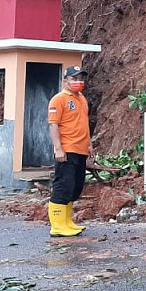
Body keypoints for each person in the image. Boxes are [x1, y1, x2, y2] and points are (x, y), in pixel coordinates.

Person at [46, 65, 93, 237]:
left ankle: (67, 222)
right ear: (65, 80)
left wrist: (89, 145)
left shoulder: (82, 98)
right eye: (74, 78)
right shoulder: (58, 100)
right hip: (67, 149)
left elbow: (83, 124)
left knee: (75, 186)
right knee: (63, 186)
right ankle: (57, 226)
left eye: (81, 78)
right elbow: (53, 125)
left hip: (80, 149)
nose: (78, 81)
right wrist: (58, 148)